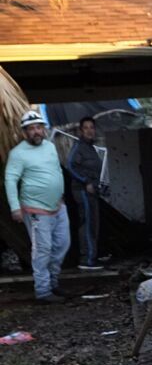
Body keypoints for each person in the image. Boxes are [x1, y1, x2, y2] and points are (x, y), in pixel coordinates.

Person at [5, 110, 71, 303]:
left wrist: (61, 195)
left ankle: (53, 282)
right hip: (35, 210)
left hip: (59, 206)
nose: (36, 132)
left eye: (38, 127)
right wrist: (15, 207)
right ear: (25, 132)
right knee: (43, 249)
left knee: (62, 244)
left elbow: (56, 171)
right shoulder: (18, 153)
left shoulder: (50, 147)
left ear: (44, 129)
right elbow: (10, 180)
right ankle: (43, 291)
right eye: (31, 129)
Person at [67, 115, 106, 270]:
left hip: (92, 192)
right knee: (88, 224)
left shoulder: (90, 147)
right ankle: (87, 260)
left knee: (93, 224)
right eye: (86, 128)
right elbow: (71, 166)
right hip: (83, 191)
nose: (90, 131)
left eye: (92, 127)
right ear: (81, 131)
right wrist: (86, 181)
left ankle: (92, 256)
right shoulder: (79, 147)